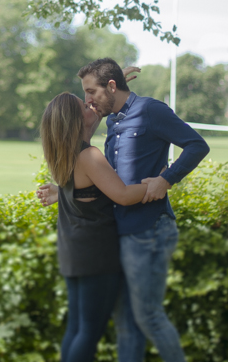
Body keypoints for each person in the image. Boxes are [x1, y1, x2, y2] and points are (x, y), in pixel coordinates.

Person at [39, 59, 210, 362]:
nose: (89, 101)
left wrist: (166, 180)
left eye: (91, 92)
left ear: (112, 87)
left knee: (146, 318)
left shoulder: (150, 110)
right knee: (126, 325)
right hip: (119, 233)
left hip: (147, 230)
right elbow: (110, 183)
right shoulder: (111, 121)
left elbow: (197, 145)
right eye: (85, 96)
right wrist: (65, 191)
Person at [39, 92, 158, 362]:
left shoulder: (64, 152)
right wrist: (160, 182)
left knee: (77, 328)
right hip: (96, 255)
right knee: (89, 333)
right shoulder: (89, 155)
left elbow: (79, 116)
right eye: (86, 105)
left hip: (74, 251)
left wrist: (110, 91)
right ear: (77, 119)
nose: (91, 104)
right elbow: (124, 195)